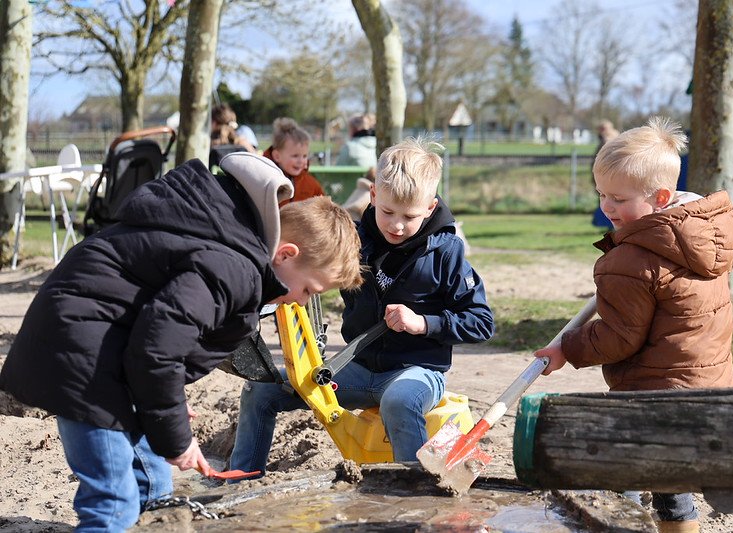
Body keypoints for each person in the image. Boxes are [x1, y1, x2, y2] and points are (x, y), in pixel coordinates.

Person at [0, 152, 363, 531]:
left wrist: (166, 402)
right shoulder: (233, 269)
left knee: (156, 486)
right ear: (287, 254)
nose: (303, 301)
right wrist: (177, 440)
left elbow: (157, 338)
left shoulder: (227, 242)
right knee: (113, 503)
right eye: (308, 289)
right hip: (83, 360)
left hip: (102, 349)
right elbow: (156, 353)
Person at [230, 136, 494, 474]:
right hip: (355, 369)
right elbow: (303, 267)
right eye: (387, 211)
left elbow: (481, 322)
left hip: (417, 372)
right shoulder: (355, 240)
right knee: (261, 390)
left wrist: (423, 323)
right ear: (373, 196)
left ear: (430, 208)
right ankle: (241, 479)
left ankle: (409, 491)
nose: (396, 225)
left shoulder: (447, 253)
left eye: (409, 216)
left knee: (398, 400)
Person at [535, 117, 733, 533]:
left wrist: (567, 348)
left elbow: (619, 338)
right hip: (707, 386)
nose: (606, 207)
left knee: (616, 473)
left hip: (654, 393)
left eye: (618, 199)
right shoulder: (700, 235)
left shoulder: (632, 260)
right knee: (669, 482)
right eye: (601, 194)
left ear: (661, 196)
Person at [264, 117, 325, 205]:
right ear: (277, 156)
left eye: (304, 156)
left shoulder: (310, 184)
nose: (301, 161)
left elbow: (324, 208)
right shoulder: (267, 182)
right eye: (295, 156)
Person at [591, 120, 620, 229]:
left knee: (608, 202)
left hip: (607, 176)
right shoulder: (616, 139)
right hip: (606, 176)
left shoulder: (607, 141)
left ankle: (612, 226)